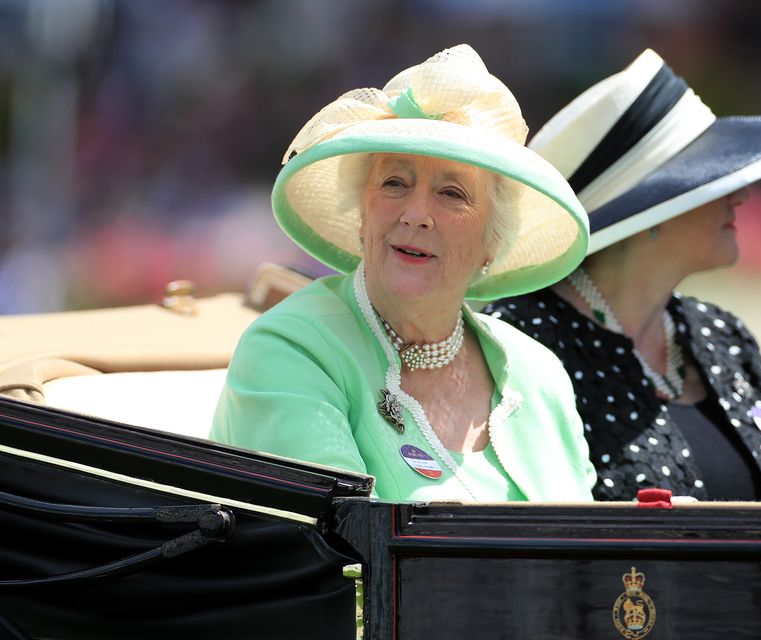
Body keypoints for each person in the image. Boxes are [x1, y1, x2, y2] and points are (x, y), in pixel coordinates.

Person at [211, 45, 596, 502]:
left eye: (452, 193)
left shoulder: (539, 374)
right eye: (394, 183)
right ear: (361, 214)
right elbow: (337, 553)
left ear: (491, 243)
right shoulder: (291, 349)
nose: (416, 214)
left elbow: (586, 551)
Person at [485, 49, 761, 502]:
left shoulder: (722, 335)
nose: (741, 195)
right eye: (713, 181)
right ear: (650, 213)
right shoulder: (520, 341)